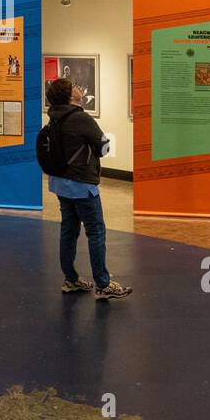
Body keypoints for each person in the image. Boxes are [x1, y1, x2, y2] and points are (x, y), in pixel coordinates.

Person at [45, 77, 131, 301]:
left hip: (61, 184)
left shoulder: (53, 117)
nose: (78, 88)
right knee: (96, 232)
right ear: (69, 95)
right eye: (73, 85)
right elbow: (104, 147)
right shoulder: (81, 118)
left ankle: (71, 279)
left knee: (69, 230)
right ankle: (102, 284)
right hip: (83, 185)